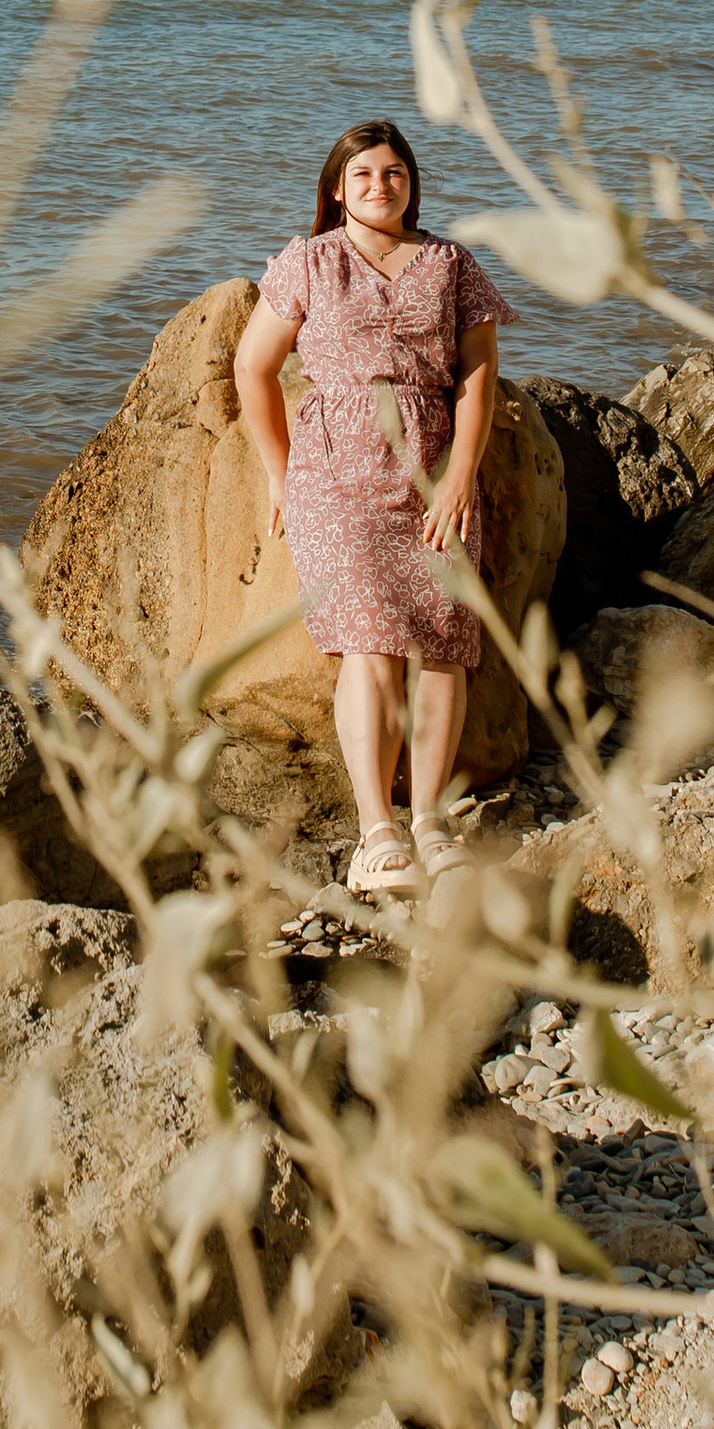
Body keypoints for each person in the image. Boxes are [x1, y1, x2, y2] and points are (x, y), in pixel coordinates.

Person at [232, 117, 512, 896]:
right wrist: (279, 475)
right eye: (362, 177)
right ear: (336, 190)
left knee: (446, 642)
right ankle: (375, 832)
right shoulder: (309, 262)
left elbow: (478, 377)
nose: (379, 187)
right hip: (337, 469)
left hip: (431, 464)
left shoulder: (452, 262)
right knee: (369, 641)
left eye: (393, 174)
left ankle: (427, 819)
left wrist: (460, 476)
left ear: (411, 182)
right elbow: (252, 368)